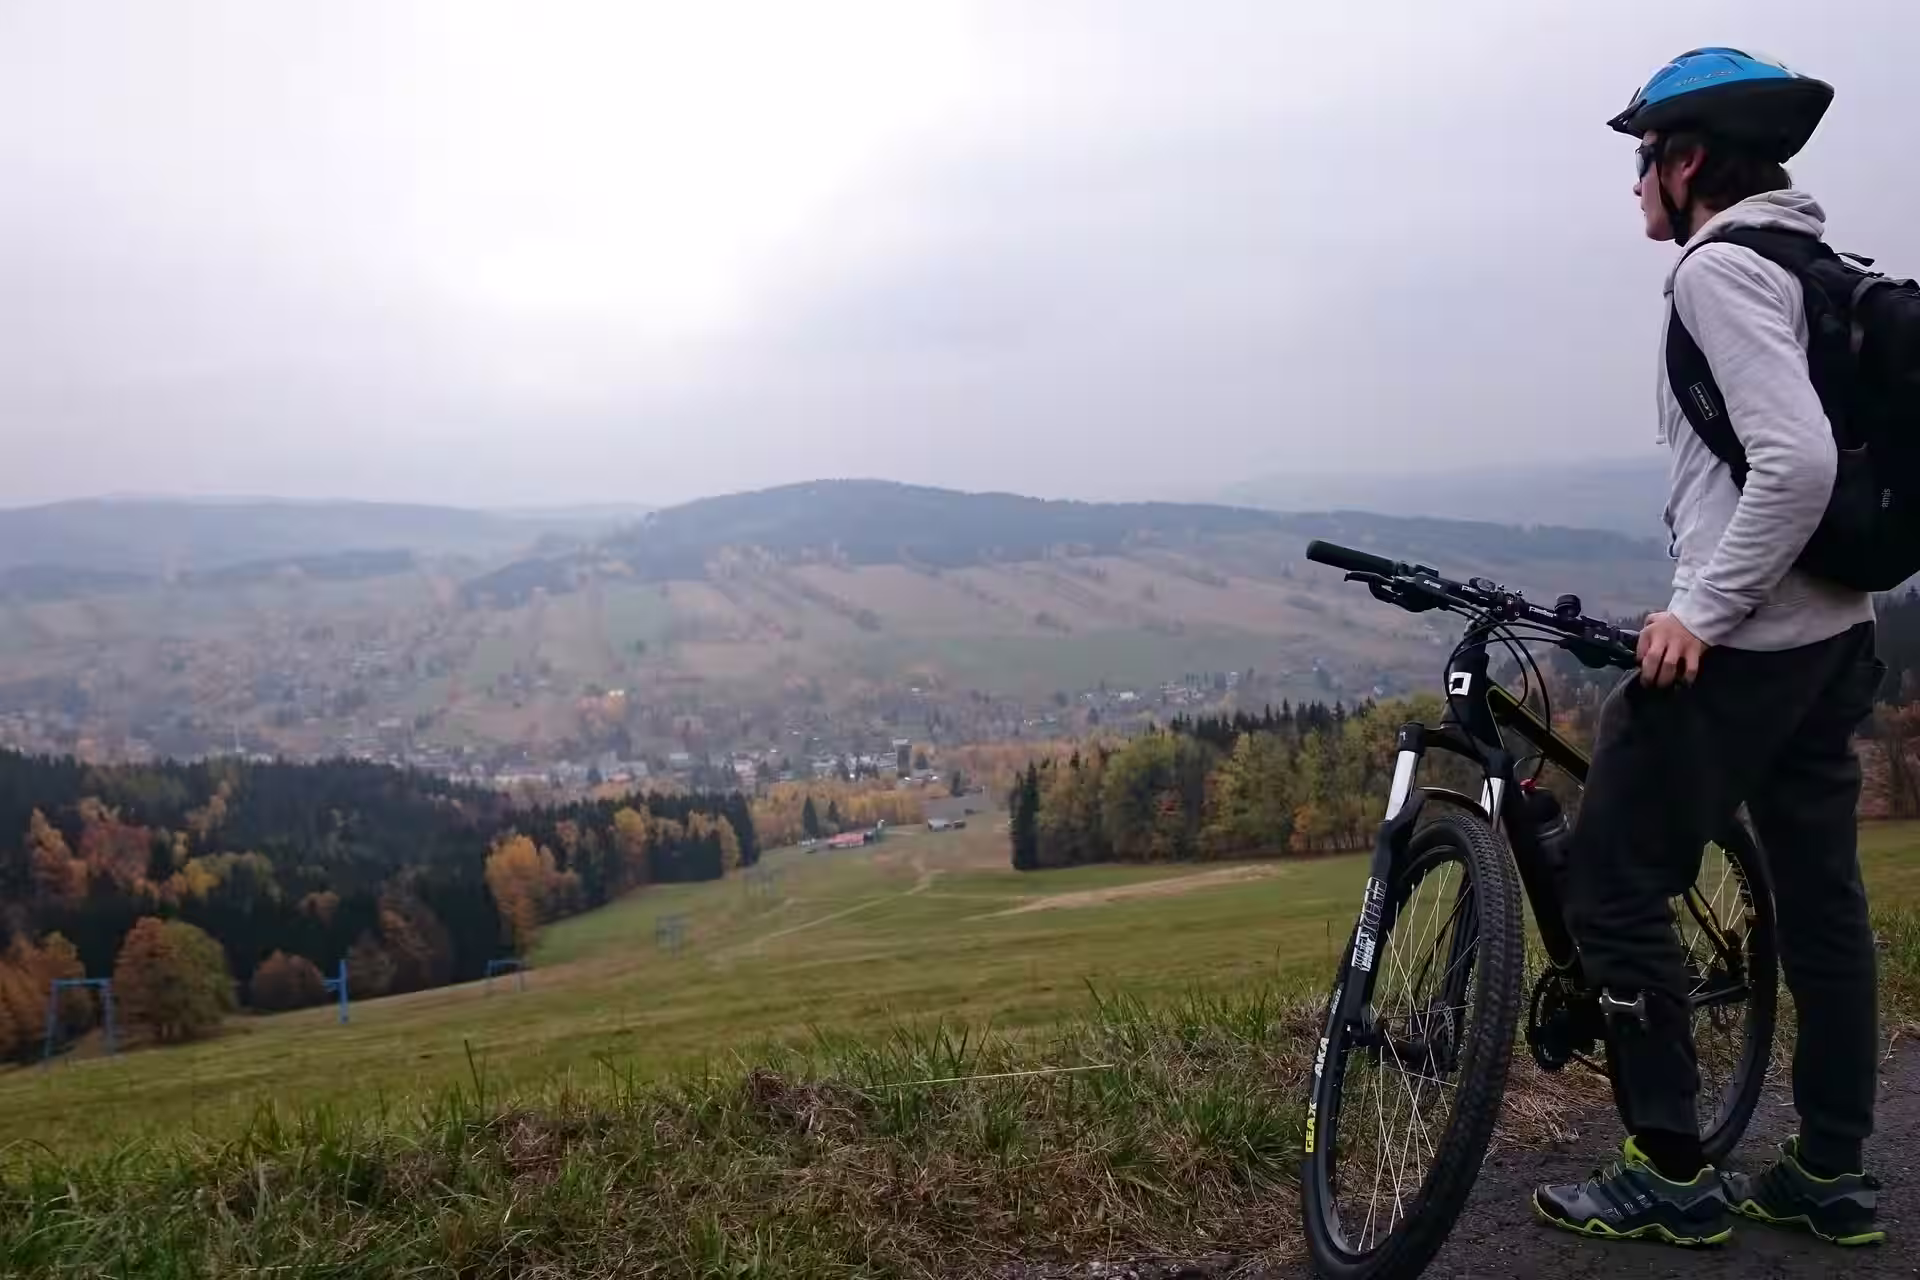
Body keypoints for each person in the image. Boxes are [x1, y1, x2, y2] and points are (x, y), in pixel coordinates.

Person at [1532, 48, 1887, 1248]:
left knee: (1614, 877)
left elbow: (1797, 461)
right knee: (1823, 901)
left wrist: (1701, 611)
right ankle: (1830, 1168)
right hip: (1835, 633)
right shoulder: (1812, 264)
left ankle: (1670, 1167)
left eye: (1643, 159)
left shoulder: (1719, 270)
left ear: (1688, 161)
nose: (1635, 183)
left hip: (1750, 645)